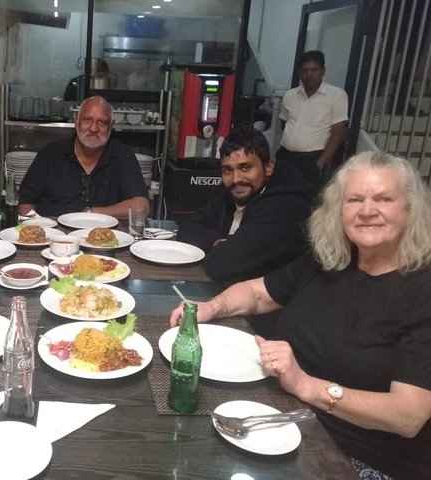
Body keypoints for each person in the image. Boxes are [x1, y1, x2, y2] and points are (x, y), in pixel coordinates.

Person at [170, 151, 431, 479]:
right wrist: (211, 307)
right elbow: (257, 293)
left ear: (410, 208)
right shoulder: (330, 261)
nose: (366, 211)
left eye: (384, 199)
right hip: (283, 420)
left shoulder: (422, 291)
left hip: (356, 458)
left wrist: (306, 385)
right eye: (354, 199)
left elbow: (408, 416)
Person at [177, 128, 314, 283]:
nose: (236, 179)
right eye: (228, 170)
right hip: (236, 292)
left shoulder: (286, 206)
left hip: (278, 298)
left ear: (268, 167)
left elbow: (222, 265)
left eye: (245, 168)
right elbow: (187, 228)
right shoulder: (234, 195)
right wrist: (217, 242)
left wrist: (221, 250)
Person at [18, 96, 149, 219]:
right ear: (77, 122)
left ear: (111, 127)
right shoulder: (51, 153)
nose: (93, 128)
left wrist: (90, 213)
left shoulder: (123, 155)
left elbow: (142, 207)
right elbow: (25, 202)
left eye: (101, 122)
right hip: (54, 233)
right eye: (87, 120)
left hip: (105, 233)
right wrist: (35, 229)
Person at [277, 50, 348, 190]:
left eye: (314, 70)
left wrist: (320, 164)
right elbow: (284, 124)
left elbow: (338, 133)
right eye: (304, 70)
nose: (309, 74)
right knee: (281, 193)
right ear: (299, 72)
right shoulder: (290, 95)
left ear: (323, 71)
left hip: (312, 160)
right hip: (285, 157)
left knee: (307, 197)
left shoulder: (336, 96)